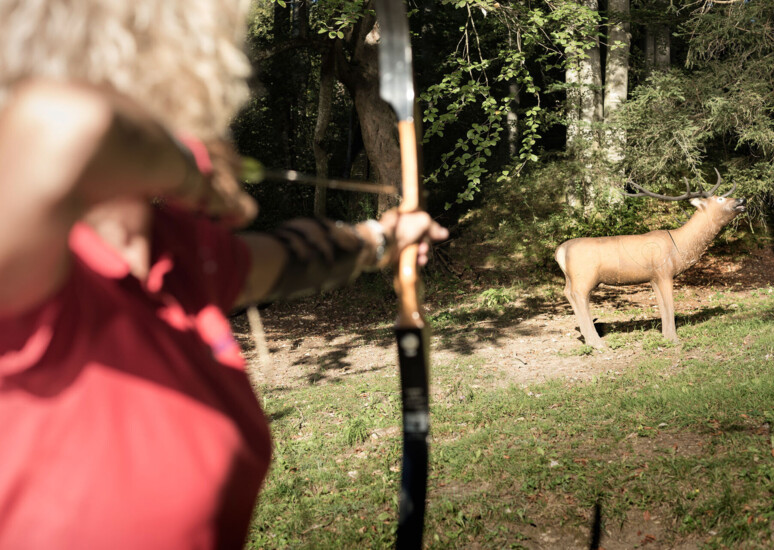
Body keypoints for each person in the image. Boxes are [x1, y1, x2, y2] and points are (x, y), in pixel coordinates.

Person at [0, 1, 448, 548]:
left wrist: (384, 239)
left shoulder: (179, 259)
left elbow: (289, 258)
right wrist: (194, 171)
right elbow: (61, 124)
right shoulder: (30, 280)